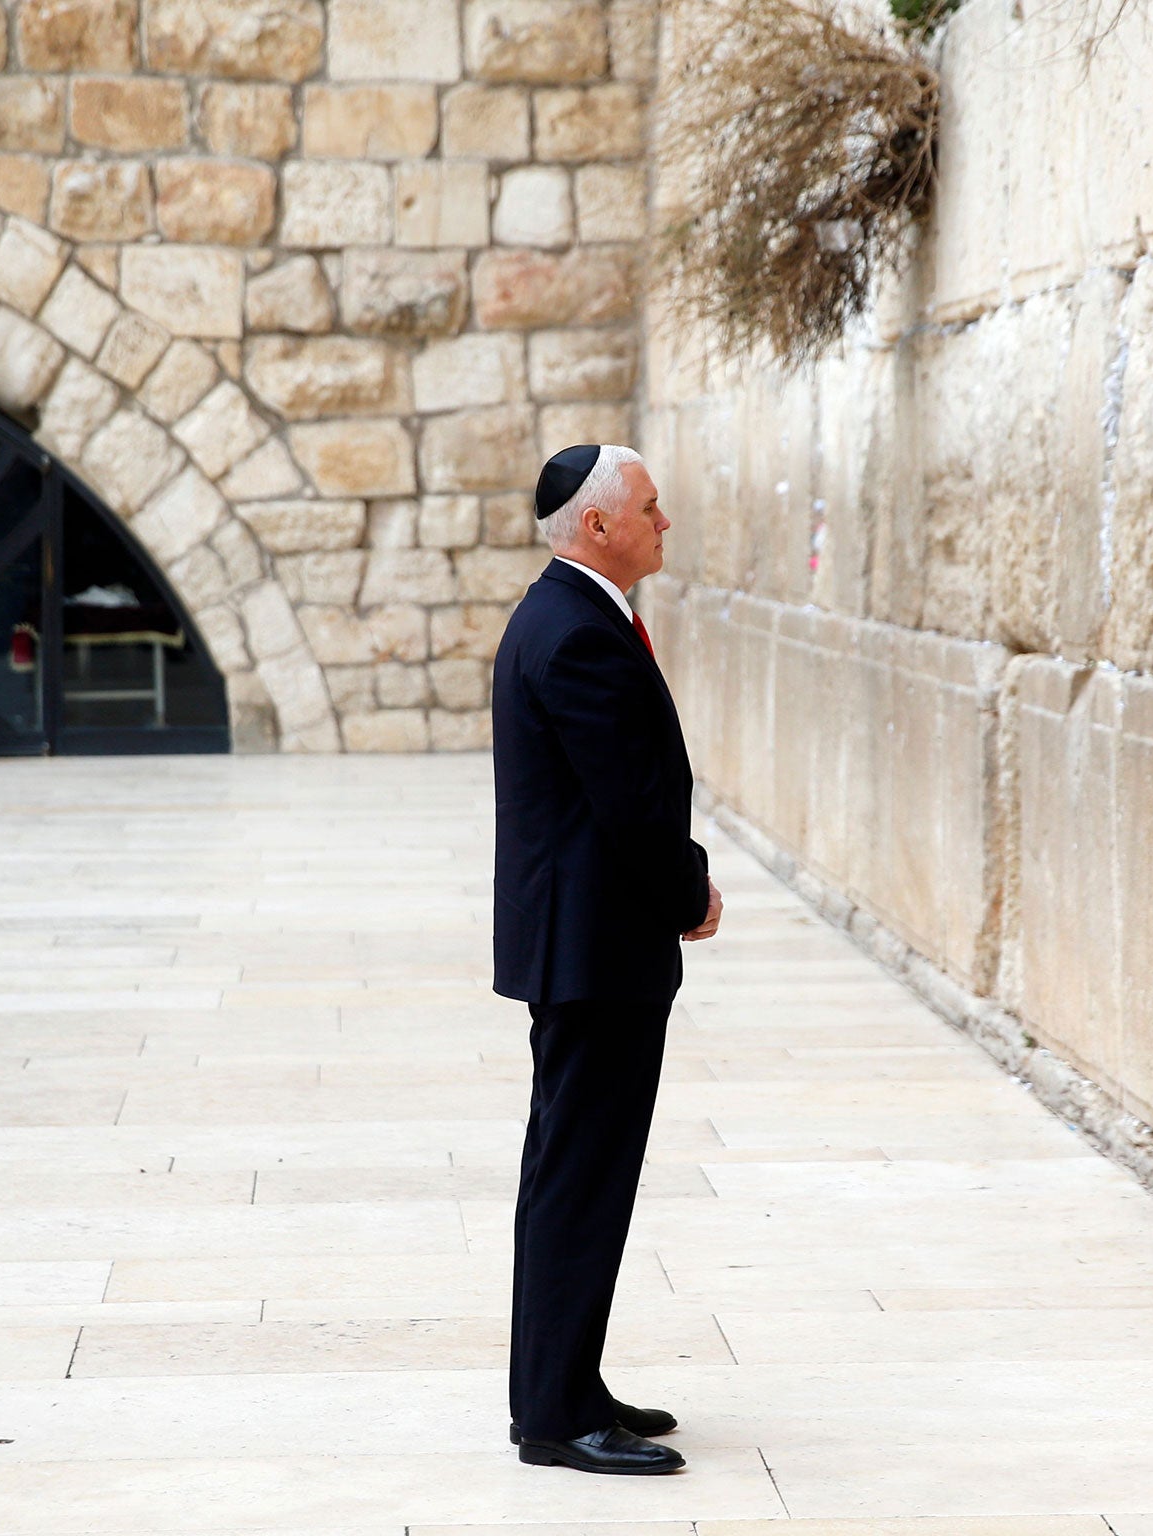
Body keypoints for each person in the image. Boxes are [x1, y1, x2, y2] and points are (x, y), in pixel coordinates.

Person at [492, 444, 721, 1476]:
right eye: (649, 507)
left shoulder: (572, 613)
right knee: (577, 1177)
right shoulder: (574, 632)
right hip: (594, 952)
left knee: (582, 1173)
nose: (663, 522)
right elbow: (627, 803)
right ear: (597, 527)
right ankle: (553, 1417)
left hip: (591, 946)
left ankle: (568, 1385)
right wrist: (690, 891)